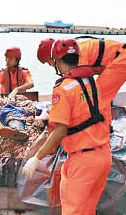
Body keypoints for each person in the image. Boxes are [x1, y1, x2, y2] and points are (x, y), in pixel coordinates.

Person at [22, 39, 113, 215]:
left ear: (57, 61)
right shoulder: (92, 82)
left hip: (82, 162)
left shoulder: (63, 89)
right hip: (103, 157)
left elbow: (59, 131)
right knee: (88, 210)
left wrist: (37, 158)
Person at [37, 37, 126, 123]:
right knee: (98, 96)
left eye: (48, 62)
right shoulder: (74, 51)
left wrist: (54, 111)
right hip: (120, 57)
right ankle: (103, 126)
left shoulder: (78, 57)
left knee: (98, 97)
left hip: (123, 59)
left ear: (53, 56)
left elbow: (78, 86)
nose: (50, 65)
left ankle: (103, 129)